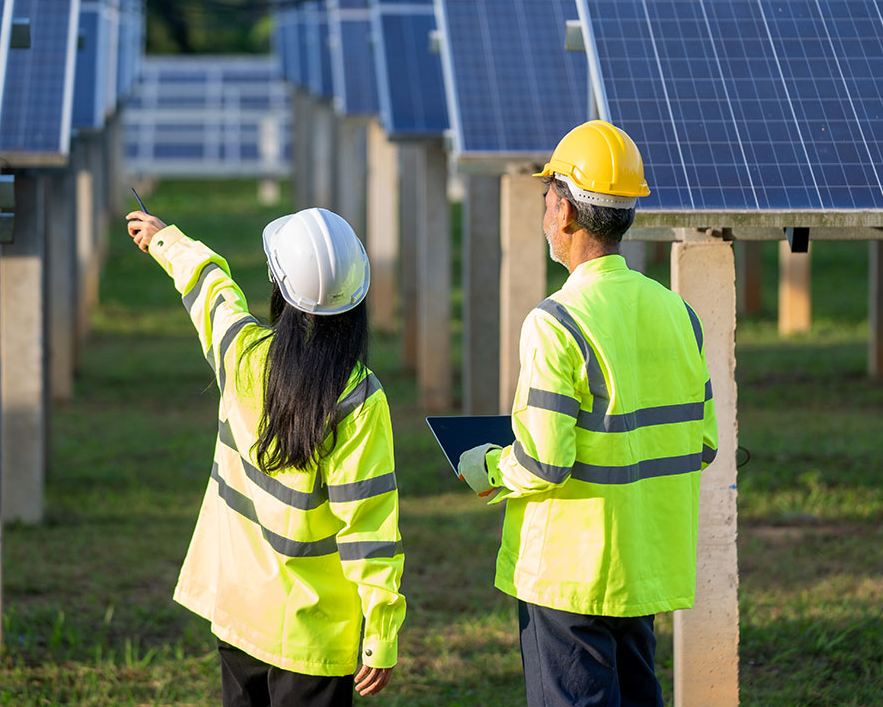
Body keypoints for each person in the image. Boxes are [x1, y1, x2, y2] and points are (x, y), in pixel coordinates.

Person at [456, 120, 718, 707]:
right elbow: (702, 444)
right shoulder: (679, 313)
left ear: (567, 214)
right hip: (643, 568)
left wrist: (489, 467)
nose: (544, 213)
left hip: (568, 577)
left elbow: (545, 461)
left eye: (547, 199)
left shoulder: (556, 323)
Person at [125, 206, 405, 706]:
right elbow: (368, 524)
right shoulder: (360, 399)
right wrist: (381, 630)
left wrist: (167, 240)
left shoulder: (243, 356)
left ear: (280, 288)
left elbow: (213, 292)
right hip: (315, 637)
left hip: (237, 613)